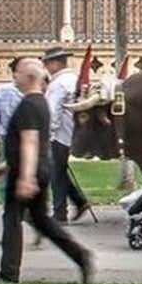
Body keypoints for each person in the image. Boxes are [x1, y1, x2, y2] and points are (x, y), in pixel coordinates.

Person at [0, 58, 93, 284]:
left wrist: (25, 177)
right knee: (42, 220)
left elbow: (30, 141)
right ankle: (80, 255)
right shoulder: (40, 103)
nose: (15, 78)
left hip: (28, 171)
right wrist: (7, 165)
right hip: (39, 167)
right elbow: (34, 141)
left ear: (29, 78)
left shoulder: (29, 105)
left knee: (12, 218)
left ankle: (8, 273)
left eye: (18, 74)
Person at [42, 47, 90, 223]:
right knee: (59, 171)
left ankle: (60, 212)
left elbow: (52, 112)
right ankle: (79, 201)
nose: (46, 66)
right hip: (72, 131)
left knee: (56, 172)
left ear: (56, 63)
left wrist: (48, 135)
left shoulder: (58, 84)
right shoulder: (72, 79)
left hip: (60, 134)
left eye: (47, 63)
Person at [0, 60, 24, 202]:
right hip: (27, 137)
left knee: (6, 170)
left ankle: (8, 201)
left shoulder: (0, 91)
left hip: (6, 137)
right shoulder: (32, 92)